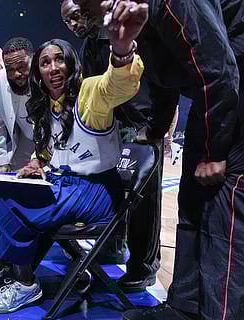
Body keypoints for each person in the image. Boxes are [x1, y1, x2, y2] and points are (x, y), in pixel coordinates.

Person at [0, 2, 147, 312]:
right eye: (45, 63)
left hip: (96, 189)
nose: (52, 68)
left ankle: (24, 284)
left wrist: (122, 48)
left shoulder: (90, 93)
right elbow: (49, 150)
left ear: (71, 64)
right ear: (40, 71)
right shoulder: (45, 105)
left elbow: (116, 85)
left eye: (59, 60)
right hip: (64, 184)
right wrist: (37, 161)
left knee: (9, 203)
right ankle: (10, 267)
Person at [74, 0, 244, 319]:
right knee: (192, 202)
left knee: (224, 210)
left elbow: (219, 70)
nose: (88, 16)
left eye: (87, 6)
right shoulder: (135, 16)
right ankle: (184, 308)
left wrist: (213, 152)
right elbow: (164, 78)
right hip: (217, 93)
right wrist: (155, 130)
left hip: (232, 91)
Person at [61, 0, 162, 286]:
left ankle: (144, 268)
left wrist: (156, 126)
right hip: (113, 128)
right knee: (113, 191)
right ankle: (112, 247)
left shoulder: (130, 32)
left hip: (143, 127)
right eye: (68, 21)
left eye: (77, 16)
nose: (74, 24)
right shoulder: (90, 45)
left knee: (145, 201)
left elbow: (159, 81)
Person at [0, 37, 35, 172]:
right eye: (10, 69)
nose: (16, 74)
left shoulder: (45, 76)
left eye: (22, 67)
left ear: (33, 61)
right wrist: (2, 162)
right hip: (24, 140)